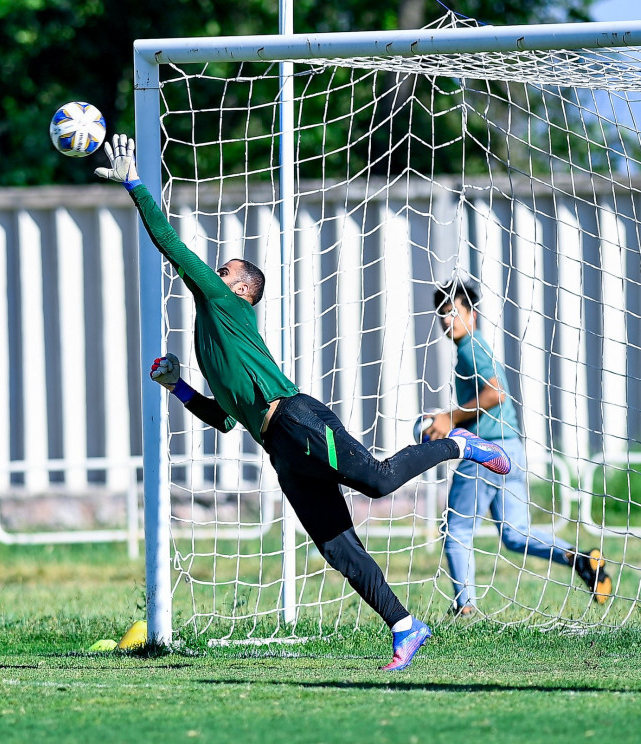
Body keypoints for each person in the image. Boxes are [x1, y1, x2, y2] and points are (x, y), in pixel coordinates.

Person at [95, 133, 511, 670]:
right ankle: (405, 626)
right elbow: (223, 420)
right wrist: (177, 386)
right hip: (280, 448)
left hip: (298, 418)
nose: (215, 274)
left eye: (225, 271)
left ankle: (458, 443)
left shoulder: (223, 304)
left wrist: (136, 186)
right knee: (337, 547)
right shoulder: (212, 340)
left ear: (243, 290)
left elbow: (172, 248)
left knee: (378, 481)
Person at [423, 279, 612, 616]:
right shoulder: (474, 345)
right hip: (511, 446)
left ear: (473, 314)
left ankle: (465, 608)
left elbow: (495, 394)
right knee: (515, 535)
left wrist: (449, 418)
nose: (447, 320)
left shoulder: (470, 348)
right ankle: (580, 557)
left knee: (458, 528)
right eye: (442, 314)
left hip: (486, 451)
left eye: (454, 312)